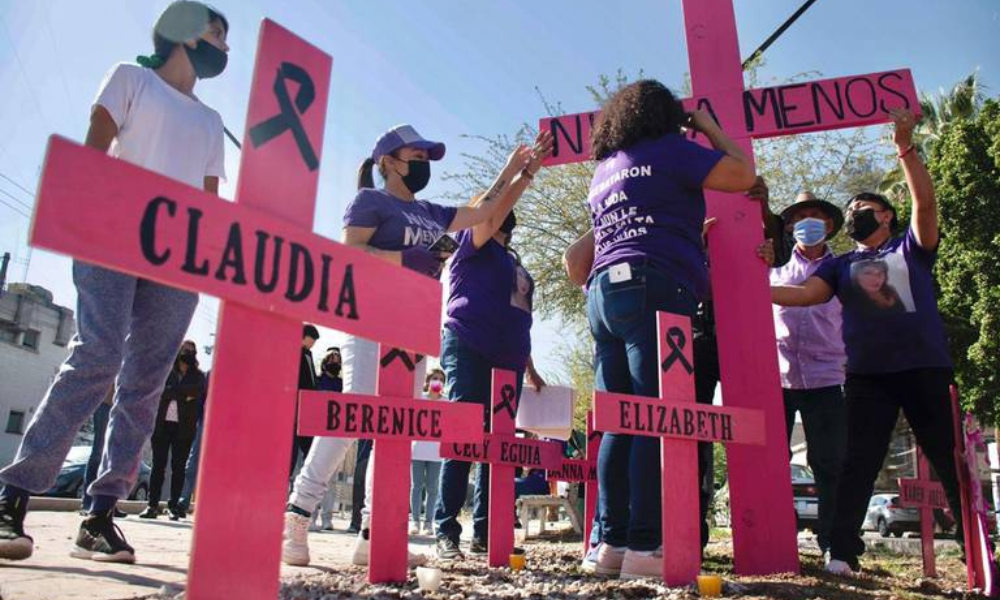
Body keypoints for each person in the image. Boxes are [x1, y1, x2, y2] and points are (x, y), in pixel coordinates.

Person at [0, 1, 228, 564]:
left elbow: (206, 201)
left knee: (145, 383)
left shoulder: (209, 121)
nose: (224, 50)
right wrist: (80, 216)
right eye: (217, 35)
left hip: (176, 262)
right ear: (182, 31)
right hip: (110, 238)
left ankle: (100, 513)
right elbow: (94, 150)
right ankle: (12, 496)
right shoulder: (131, 78)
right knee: (95, 356)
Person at [280, 123, 546, 568]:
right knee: (357, 412)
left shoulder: (430, 211)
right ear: (387, 162)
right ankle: (299, 513)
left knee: (397, 427)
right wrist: (405, 259)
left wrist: (520, 170)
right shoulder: (371, 201)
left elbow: (484, 212)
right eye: (415, 156)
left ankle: (375, 532)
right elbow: (351, 255)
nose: (422, 164)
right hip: (368, 318)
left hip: (413, 325)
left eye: (427, 157)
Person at [771, 108, 964, 575]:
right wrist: (744, 288)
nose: (855, 214)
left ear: (887, 216)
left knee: (947, 457)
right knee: (857, 462)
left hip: (923, 368)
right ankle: (841, 551)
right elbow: (802, 295)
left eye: (864, 210)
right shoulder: (838, 266)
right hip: (867, 377)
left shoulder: (910, 247)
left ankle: (975, 544)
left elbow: (927, 206)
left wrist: (905, 147)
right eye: (852, 210)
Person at [578, 79, 756, 579]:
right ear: (666, 116)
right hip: (653, 285)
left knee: (619, 420)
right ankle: (646, 547)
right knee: (657, 417)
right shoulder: (674, 150)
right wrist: (710, 129)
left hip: (602, 296)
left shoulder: (604, 169)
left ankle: (609, 545)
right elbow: (742, 174)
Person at [433, 132, 553, 561]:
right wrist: (516, 172)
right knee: (464, 436)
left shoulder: (514, 263)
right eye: (495, 204)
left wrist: (529, 366)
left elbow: (520, 313)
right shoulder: (473, 241)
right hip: (468, 344)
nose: (501, 211)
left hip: (508, 360)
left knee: (497, 446)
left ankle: (487, 530)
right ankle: (446, 530)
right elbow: (489, 208)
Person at [769, 191, 848, 554]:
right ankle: (776, 538)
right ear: (789, 226)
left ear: (829, 225)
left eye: (815, 215)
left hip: (827, 380)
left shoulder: (845, 270)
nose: (808, 222)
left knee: (828, 463)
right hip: (777, 381)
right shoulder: (772, 268)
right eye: (801, 217)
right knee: (772, 461)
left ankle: (833, 541)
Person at [140, 343, 206, 520]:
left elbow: (195, 393)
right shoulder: (166, 370)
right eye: (185, 351)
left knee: (178, 468)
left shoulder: (198, 376)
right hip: (162, 426)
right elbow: (161, 391)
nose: (188, 355)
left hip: (183, 428)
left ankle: (174, 506)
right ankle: (152, 505)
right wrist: (182, 395)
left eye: (191, 352)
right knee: (158, 466)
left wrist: (173, 392)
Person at [410, 368, 446, 535]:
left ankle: (429, 523)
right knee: (416, 487)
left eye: (440, 379)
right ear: (428, 381)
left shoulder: (447, 402)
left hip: (437, 453)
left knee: (432, 489)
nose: (437, 382)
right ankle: (415, 521)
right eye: (434, 378)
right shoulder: (419, 398)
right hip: (417, 450)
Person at [177, 368, 210, 515]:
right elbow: (200, 399)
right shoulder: (209, 374)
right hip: (204, 422)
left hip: (225, 425)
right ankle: (183, 502)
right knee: (192, 464)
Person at [290, 326, 320, 482]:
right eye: (312, 339)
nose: (314, 343)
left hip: (307, 409)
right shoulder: (293, 352)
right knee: (291, 451)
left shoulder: (308, 354)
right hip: (294, 408)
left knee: (309, 450)